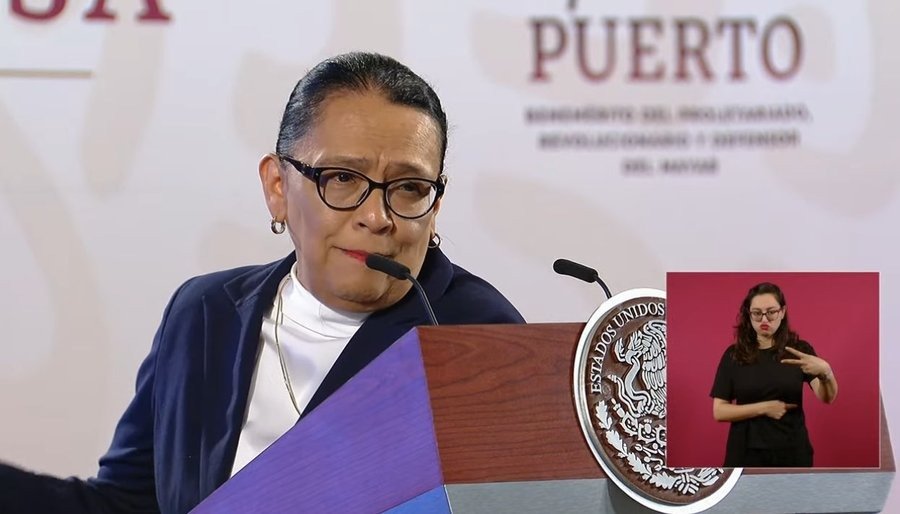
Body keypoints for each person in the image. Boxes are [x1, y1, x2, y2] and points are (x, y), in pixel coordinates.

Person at [0, 52, 525, 513]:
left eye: (409, 187)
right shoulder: (204, 311)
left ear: (435, 203)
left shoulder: (480, 337)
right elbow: (129, 504)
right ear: (277, 186)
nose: (377, 216)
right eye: (343, 178)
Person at [710, 282, 838, 467]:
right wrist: (764, 408)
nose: (764, 319)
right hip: (745, 454)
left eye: (771, 312)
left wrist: (826, 373)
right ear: (748, 314)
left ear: (782, 312)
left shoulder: (799, 350)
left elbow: (827, 397)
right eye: (757, 313)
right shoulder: (734, 355)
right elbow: (719, 411)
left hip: (793, 453)